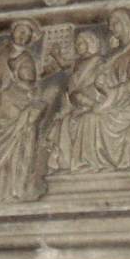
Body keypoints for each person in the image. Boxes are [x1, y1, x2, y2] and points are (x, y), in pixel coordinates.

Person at [0, 53, 49, 202]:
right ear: (16, 72)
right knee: (4, 166)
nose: (30, 69)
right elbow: (6, 116)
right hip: (5, 137)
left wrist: (36, 110)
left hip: (26, 137)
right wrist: (28, 112)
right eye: (25, 67)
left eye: (32, 67)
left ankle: (18, 189)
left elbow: (34, 115)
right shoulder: (7, 93)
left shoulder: (34, 94)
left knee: (23, 162)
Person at [46, 29, 109, 173]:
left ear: (90, 44)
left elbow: (103, 82)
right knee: (63, 122)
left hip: (91, 100)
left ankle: (85, 162)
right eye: (77, 43)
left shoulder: (98, 61)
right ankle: (64, 162)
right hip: (74, 104)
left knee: (84, 121)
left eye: (81, 43)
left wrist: (91, 99)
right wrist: (55, 54)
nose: (78, 46)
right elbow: (64, 64)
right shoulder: (77, 62)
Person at [95, 7, 130, 170]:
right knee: (87, 119)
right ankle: (92, 165)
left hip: (125, 107)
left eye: (115, 23)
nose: (111, 28)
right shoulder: (120, 51)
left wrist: (111, 95)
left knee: (93, 119)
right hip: (113, 104)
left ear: (126, 25)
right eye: (110, 24)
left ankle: (98, 163)